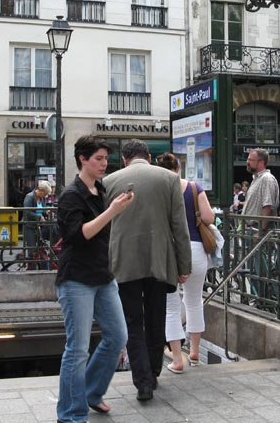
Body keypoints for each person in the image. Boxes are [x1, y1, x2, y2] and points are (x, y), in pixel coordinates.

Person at [103, 139, 191, 402]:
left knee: (132, 321)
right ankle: (153, 371)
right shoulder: (169, 179)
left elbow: (104, 227)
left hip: (124, 261)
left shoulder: (109, 181)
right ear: (148, 157)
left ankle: (142, 381)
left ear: (124, 158)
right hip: (159, 259)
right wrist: (183, 265)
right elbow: (179, 226)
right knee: (156, 317)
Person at [55, 135, 133, 422]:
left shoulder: (100, 189)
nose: (104, 164)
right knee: (76, 350)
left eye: (105, 159)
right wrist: (113, 211)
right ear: (82, 159)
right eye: (98, 159)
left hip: (103, 275)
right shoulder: (70, 195)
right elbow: (78, 235)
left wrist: (117, 207)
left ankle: (91, 392)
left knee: (118, 336)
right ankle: (71, 413)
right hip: (76, 278)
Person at [156, 153, 214, 374]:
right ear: (179, 168)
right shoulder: (193, 187)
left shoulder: (158, 189)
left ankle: (177, 359)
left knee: (170, 306)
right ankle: (195, 352)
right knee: (194, 301)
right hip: (196, 249)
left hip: (168, 250)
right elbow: (208, 217)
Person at [242, 149, 279, 232]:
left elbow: (268, 206)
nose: (247, 162)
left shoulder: (267, 179)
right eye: (247, 159)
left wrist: (260, 231)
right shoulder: (256, 179)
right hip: (252, 228)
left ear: (261, 162)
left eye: (251, 160)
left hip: (259, 229)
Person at [23, 181, 52, 270]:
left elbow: (41, 210)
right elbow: (27, 212)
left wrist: (46, 212)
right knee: (32, 251)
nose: (45, 196)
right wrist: (39, 217)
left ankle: (44, 269)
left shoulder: (42, 198)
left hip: (39, 227)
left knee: (42, 248)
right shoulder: (29, 197)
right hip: (30, 226)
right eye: (45, 193)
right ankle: (31, 270)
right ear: (40, 191)